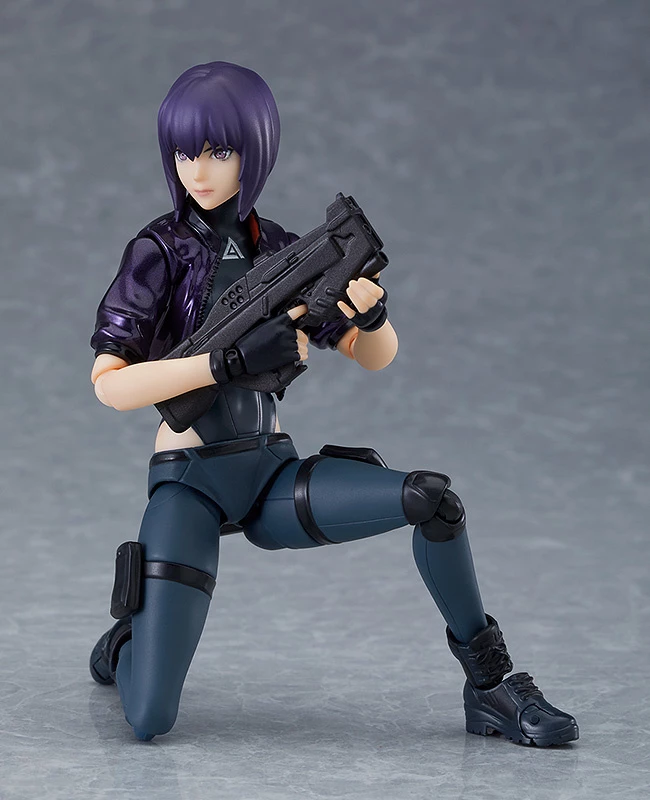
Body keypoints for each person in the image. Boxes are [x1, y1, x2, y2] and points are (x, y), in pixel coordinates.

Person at [89, 61, 578, 746]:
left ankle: (492, 686)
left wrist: (372, 318)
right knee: (149, 720)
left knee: (433, 501)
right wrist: (224, 362)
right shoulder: (159, 252)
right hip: (190, 482)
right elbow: (109, 384)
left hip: (271, 474)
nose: (198, 170)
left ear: (254, 152)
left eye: (219, 151)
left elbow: (372, 355)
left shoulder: (281, 251)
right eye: (184, 152)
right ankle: (129, 644)